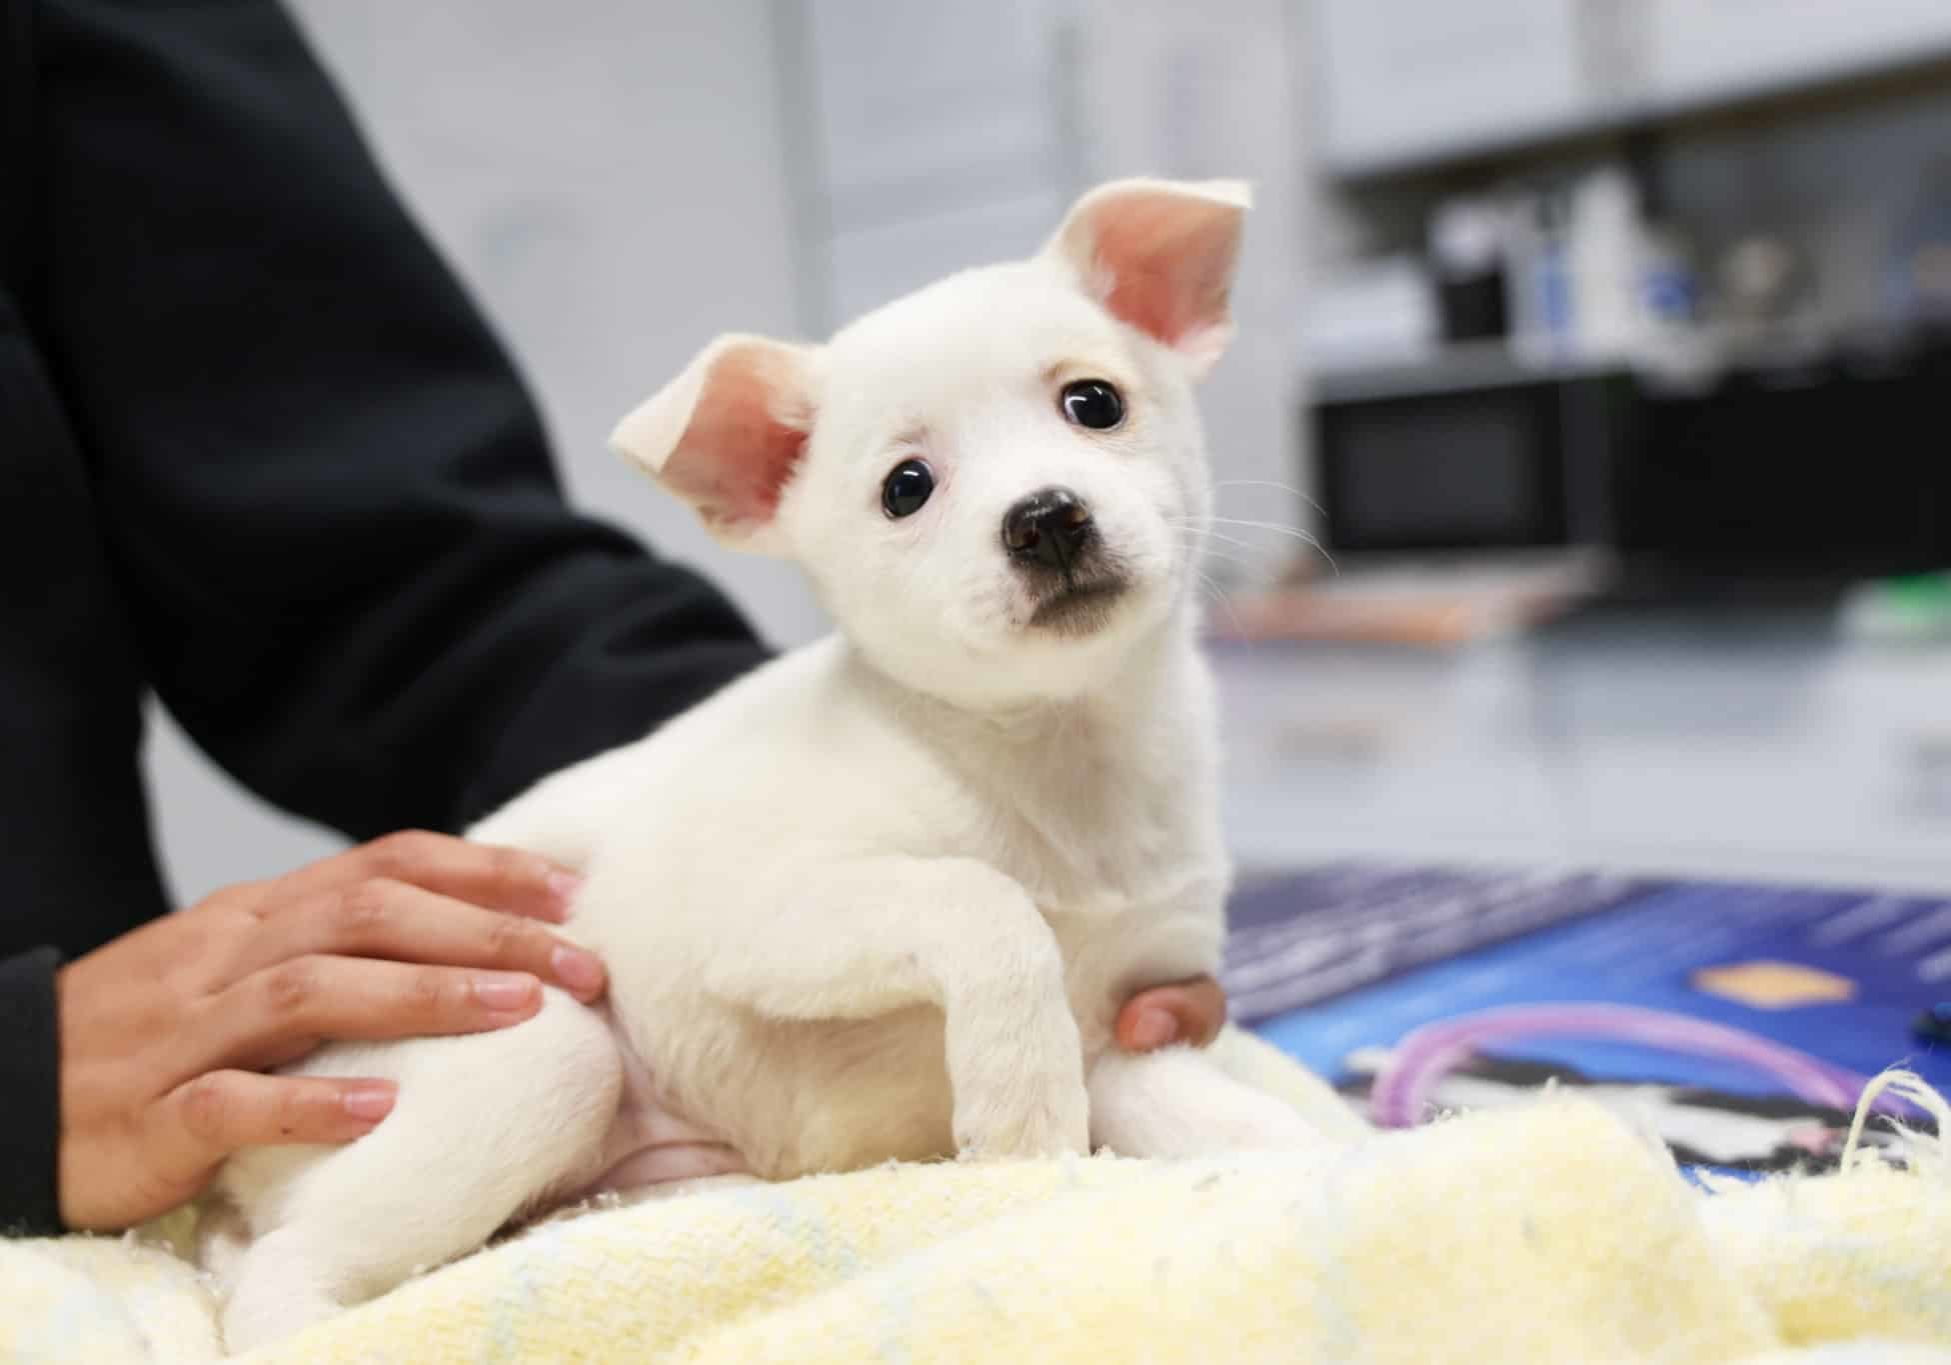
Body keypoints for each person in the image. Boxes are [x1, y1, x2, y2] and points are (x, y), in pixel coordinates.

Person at [0, 0, 1225, 1237]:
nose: (1042, 506)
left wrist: (836, 763)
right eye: (910, 486)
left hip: (159, 1106)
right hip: (104, 1132)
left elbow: (414, 579)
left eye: (1090, 404)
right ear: (758, 485)